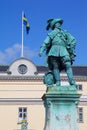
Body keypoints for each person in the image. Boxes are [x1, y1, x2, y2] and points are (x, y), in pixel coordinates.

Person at [39, 18, 77, 87]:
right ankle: (58, 82)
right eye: (57, 23)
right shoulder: (51, 34)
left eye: (59, 23)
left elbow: (73, 40)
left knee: (68, 65)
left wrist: (71, 48)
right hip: (53, 51)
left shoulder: (65, 33)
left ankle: (71, 81)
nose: (59, 25)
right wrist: (41, 50)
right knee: (55, 67)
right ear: (54, 25)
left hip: (63, 50)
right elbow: (46, 42)